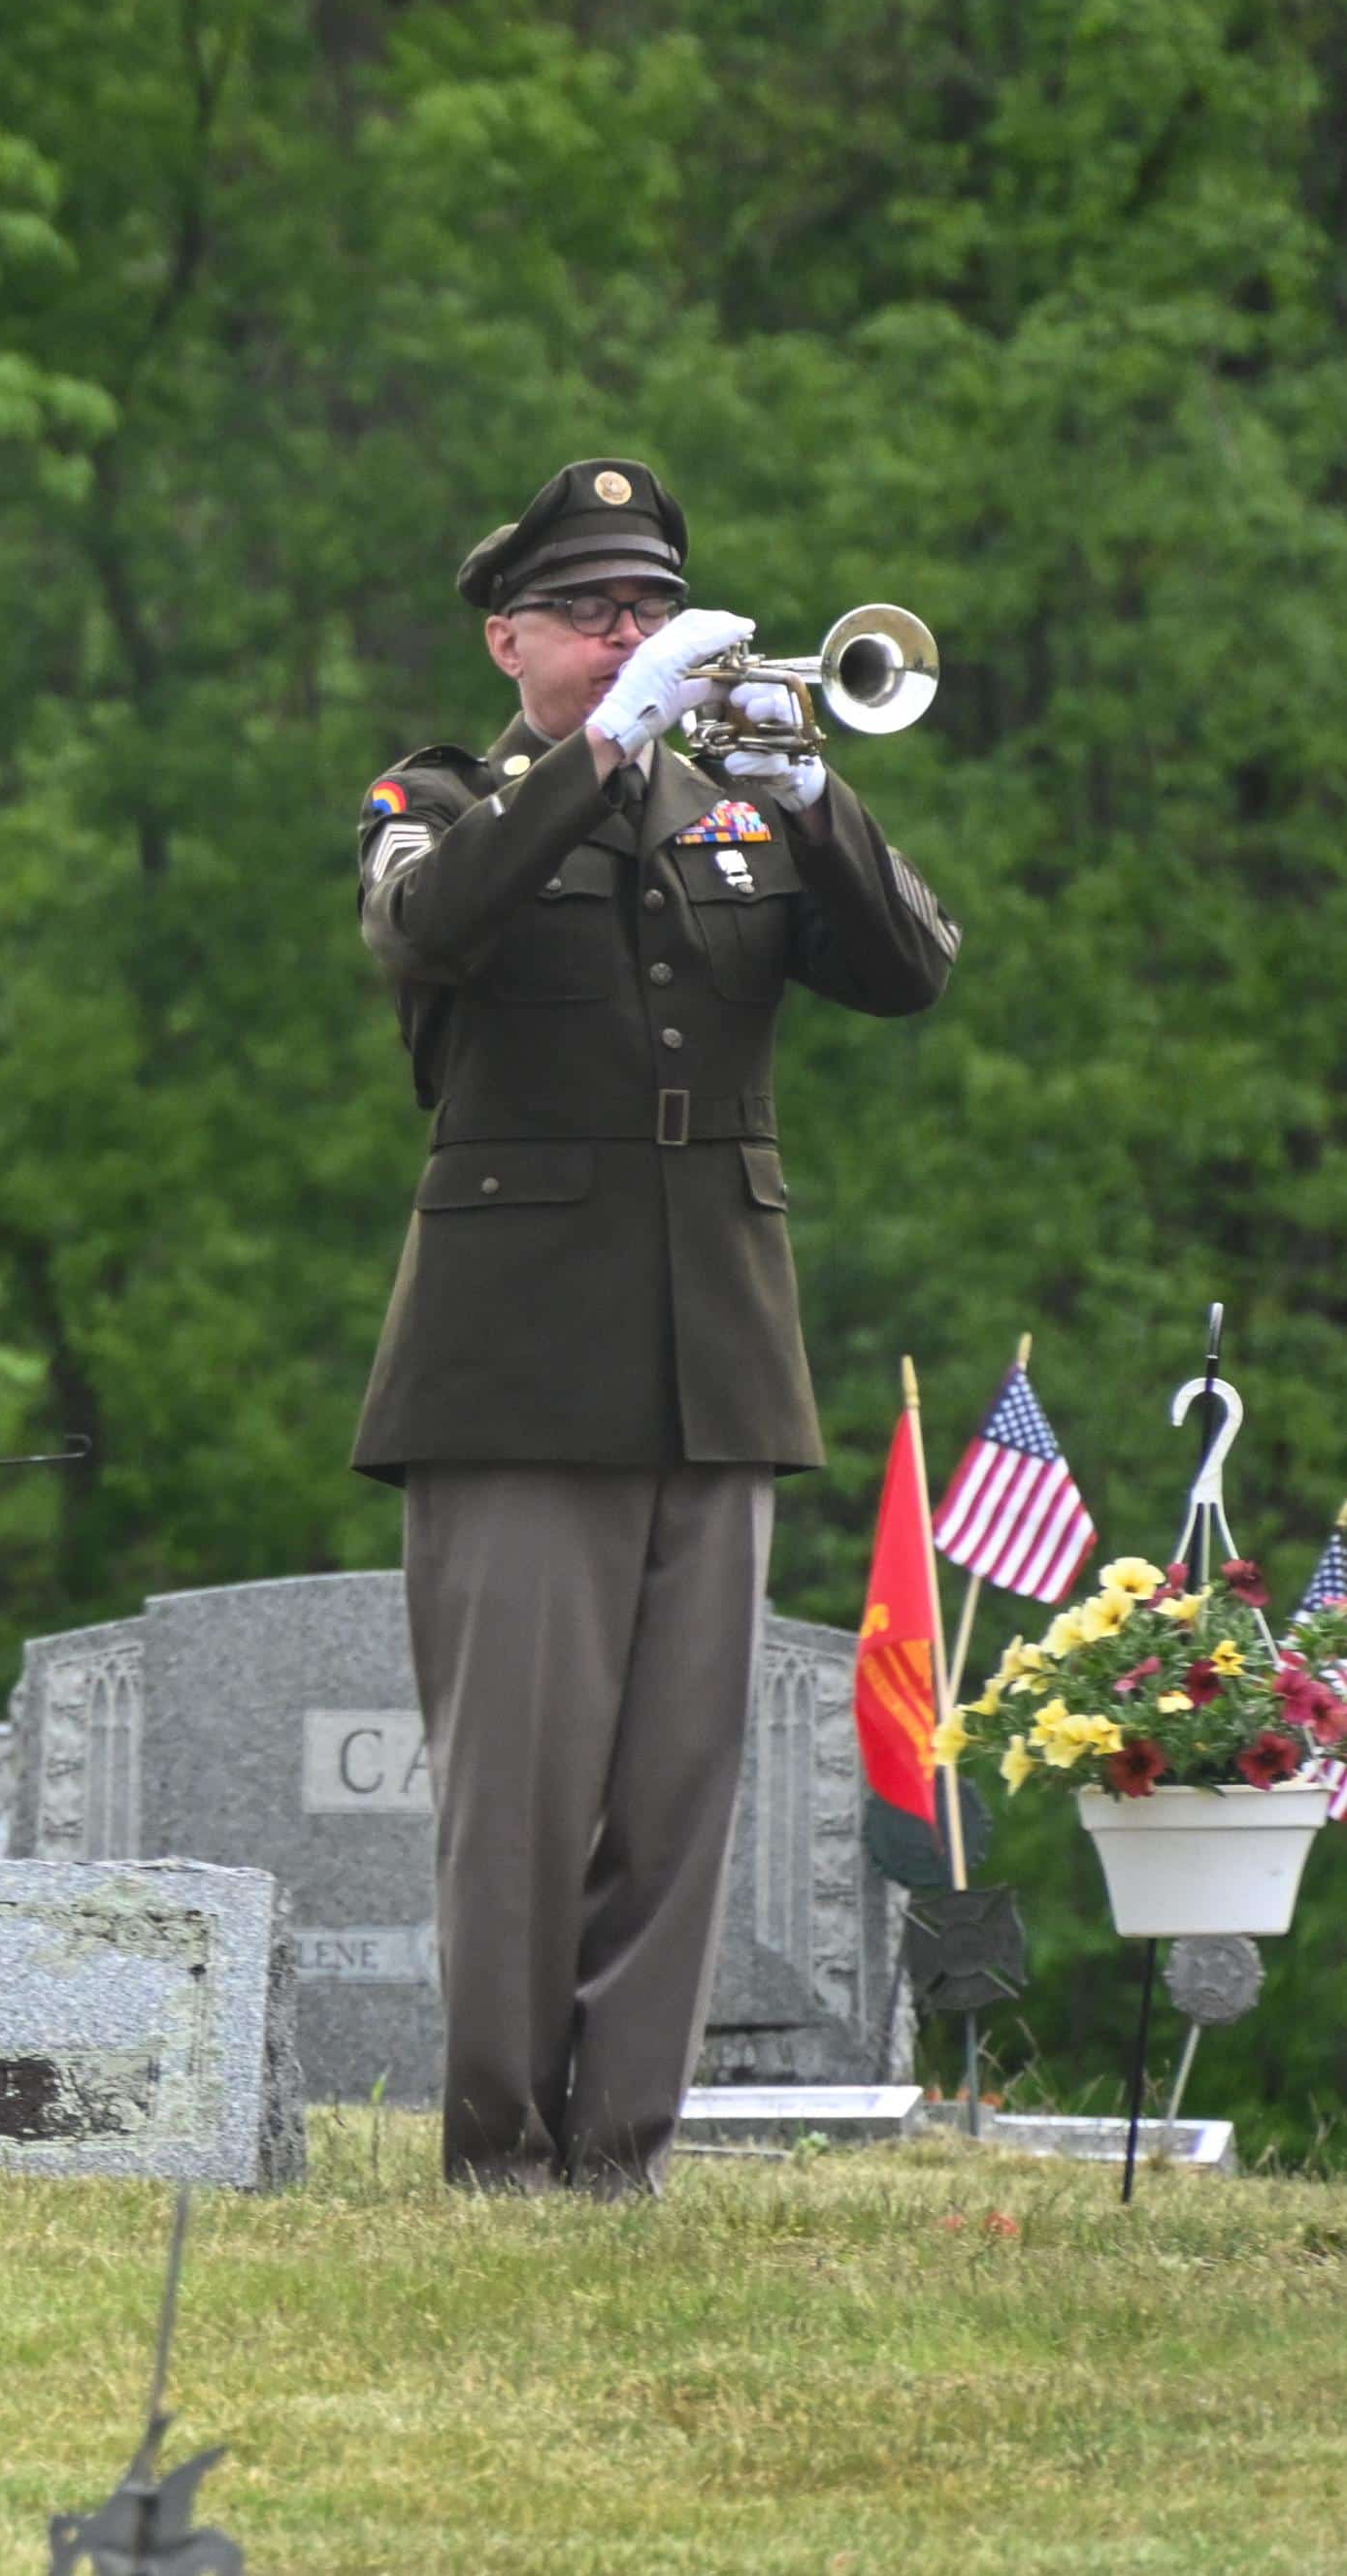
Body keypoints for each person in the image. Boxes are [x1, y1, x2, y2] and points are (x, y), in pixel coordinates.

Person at [352, 457, 960, 2194]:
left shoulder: (743, 802)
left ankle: (619, 2149)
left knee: (677, 1793)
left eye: (649, 609)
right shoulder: (442, 791)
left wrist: (812, 792)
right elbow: (427, 926)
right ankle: (499, 2148)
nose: (630, 632)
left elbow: (909, 971)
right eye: (594, 612)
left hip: (716, 1351)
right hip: (512, 1358)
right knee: (518, 1799)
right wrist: (603, 744)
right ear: (509, 638)